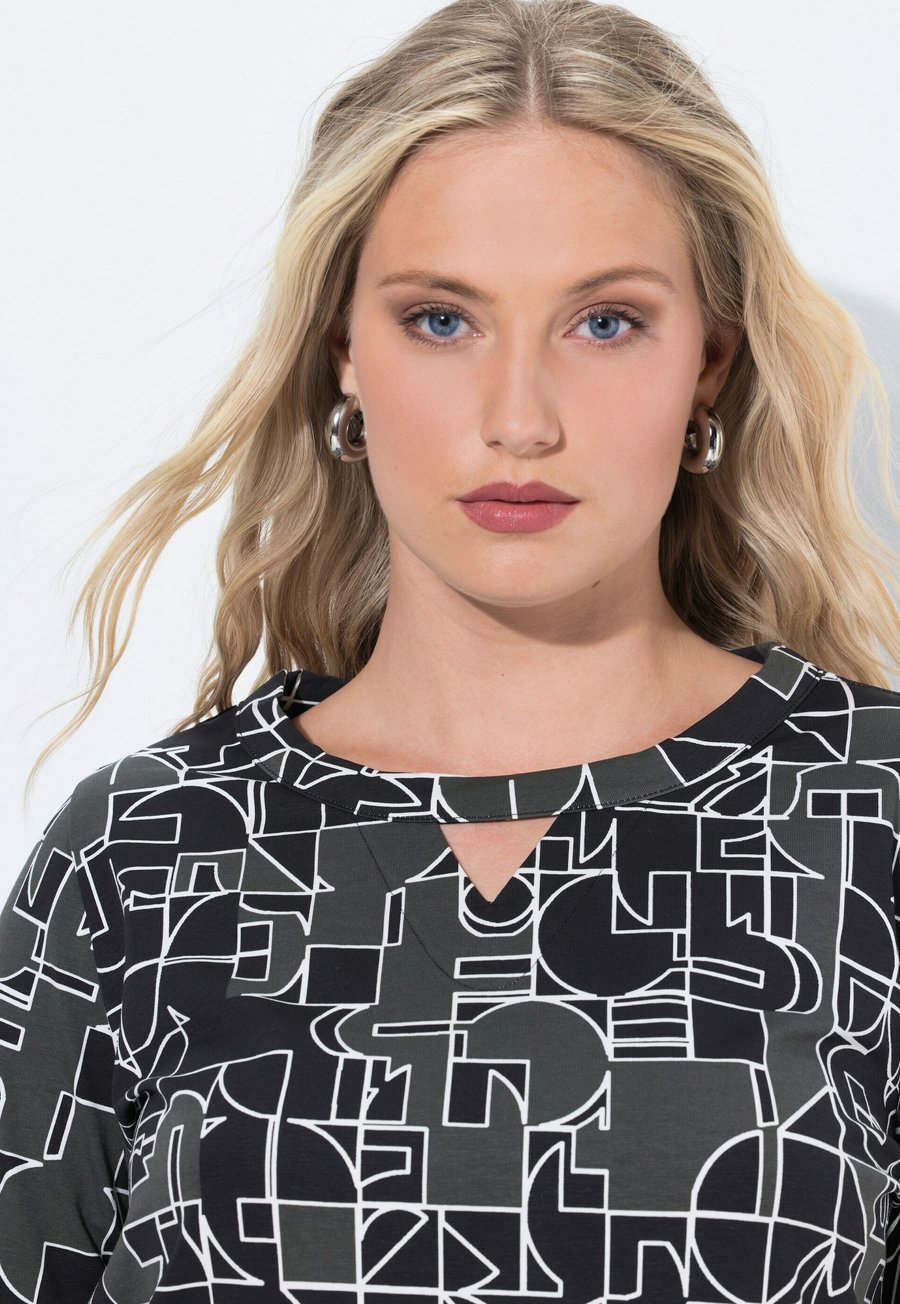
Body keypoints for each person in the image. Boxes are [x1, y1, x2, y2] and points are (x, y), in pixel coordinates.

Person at [2, 0, 899, 1299]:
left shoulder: (873, 820)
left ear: (710, 361)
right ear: (343, 357)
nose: (518, 419)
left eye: (605, 322)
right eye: (440, 319)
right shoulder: (144, 857)